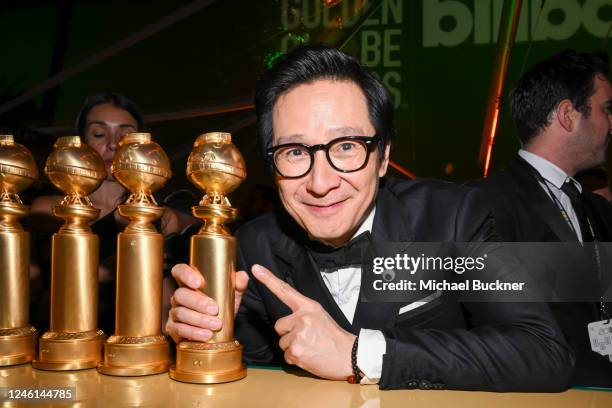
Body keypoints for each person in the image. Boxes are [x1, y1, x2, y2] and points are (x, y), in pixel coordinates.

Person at [166, 45, 573, 391]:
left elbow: (542, 351)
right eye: (294, 152)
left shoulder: (451, 216)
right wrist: (213, 333)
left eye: (345, 147)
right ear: (272, 165)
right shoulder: (256, 246)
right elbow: (260, 377)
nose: (320, 183)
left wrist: (362, 353)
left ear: (383, 157)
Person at [472, 50, 612, 386]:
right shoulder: (482, 204)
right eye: (606, 109)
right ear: (568, 114)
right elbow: (504, 335)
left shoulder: (599, 210)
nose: (611, 123)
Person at [30, 92, 180, 332]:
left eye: (126, 136)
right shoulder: (48, 210)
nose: (113, 144)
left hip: (135, 347)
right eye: (99, 134)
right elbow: (31, 303)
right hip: (55, 343)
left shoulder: (160, 216)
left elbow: (164, 310)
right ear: (82, 143)